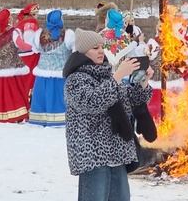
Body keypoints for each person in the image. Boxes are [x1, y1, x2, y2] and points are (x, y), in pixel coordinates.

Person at [63, 28, 153, 201]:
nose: (100, 51)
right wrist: (118, 75)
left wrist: (144, 81)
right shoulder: (75, 80)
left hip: (116, 153)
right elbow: (93, 102)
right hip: (93, 155)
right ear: (82, 51)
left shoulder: (106, 74)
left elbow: (129, 100)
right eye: (95, 48)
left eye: (101, 47)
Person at [28, 10, 75, 126]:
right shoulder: (68, 35)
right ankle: (59, 118)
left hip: (42, 72)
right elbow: (75, 51)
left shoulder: (40, 35)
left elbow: (35, 50)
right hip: (61, 73)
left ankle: (40, 118)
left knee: (43, 96)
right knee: (59, 97)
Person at [15, 3, 42, 102]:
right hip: (30, 56)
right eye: (37, 13)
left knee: (22, 80)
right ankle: (29, 103)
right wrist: (38, 48)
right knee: (30, 80)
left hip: (20, 55)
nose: (38, 15)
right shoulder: (31, 22)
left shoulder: (21, 21)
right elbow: (29, 40)